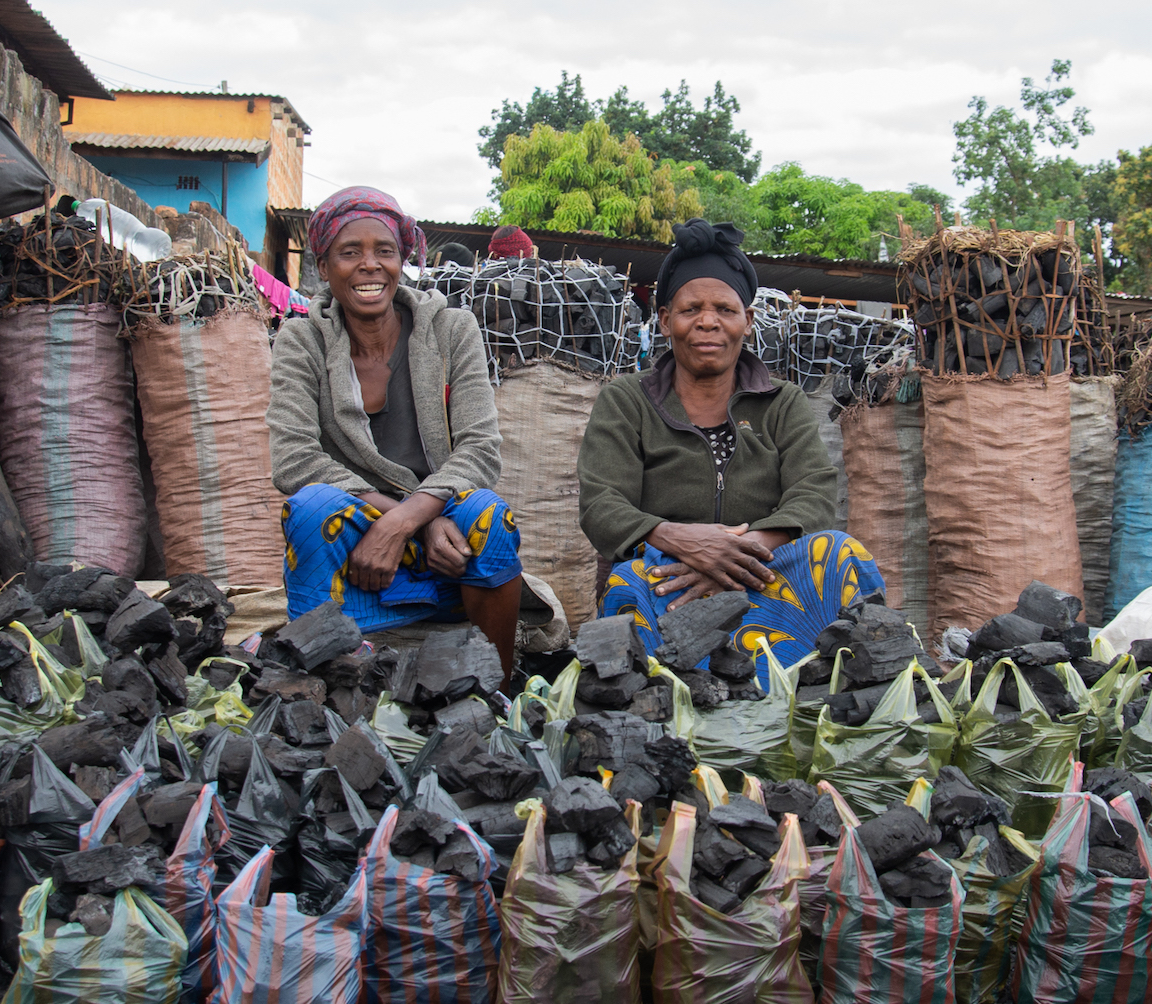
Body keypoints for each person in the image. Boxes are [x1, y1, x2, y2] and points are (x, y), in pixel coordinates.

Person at [577, 219, 885, 677]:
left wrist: (739, 555)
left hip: (767, 569)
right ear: (664, 320)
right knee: (628, 583)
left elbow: (815, 493)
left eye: (724, 308)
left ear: (747, 320)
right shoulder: (627, 400)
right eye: (690, 309)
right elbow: (602, 504)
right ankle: (663, 716)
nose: (708, 321)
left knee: (841, 553)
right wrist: (682, 541)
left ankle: (829, 694)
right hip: (671, 576)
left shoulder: (783, 401)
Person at [269, 186, 523, 679]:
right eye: (349, 253)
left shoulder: (451, 329)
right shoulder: (302, 340)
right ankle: (322, 691)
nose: (369, 266)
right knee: (310, 507)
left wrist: (413, 518)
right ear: (323, 267)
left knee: (487, 513)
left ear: (402, 260)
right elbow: (294, 459)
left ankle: (498, 687)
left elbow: (480, 449)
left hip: (444, 547)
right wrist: (406, 520)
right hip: (360, 542)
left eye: (384, 251)